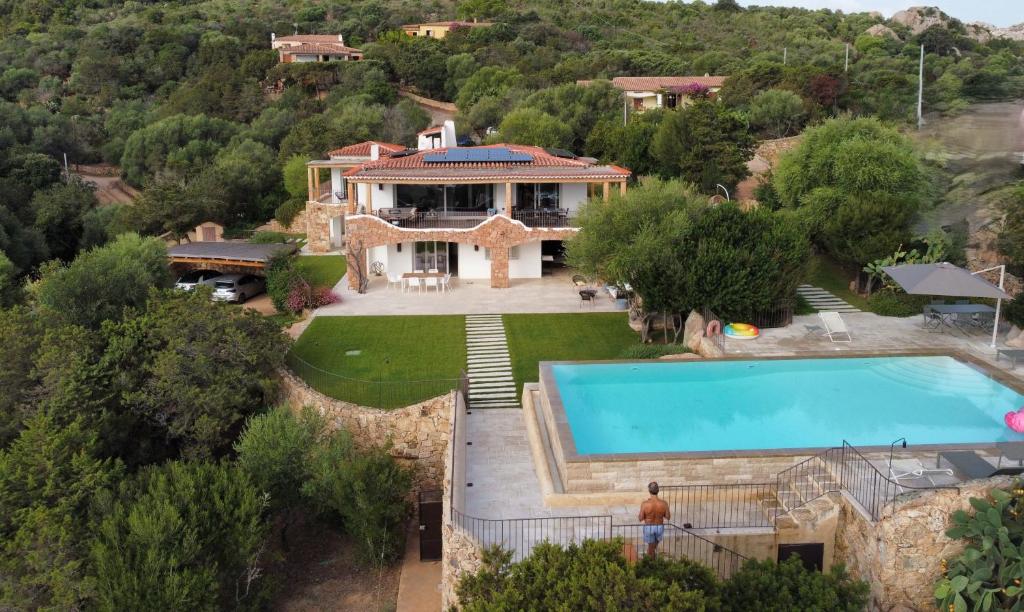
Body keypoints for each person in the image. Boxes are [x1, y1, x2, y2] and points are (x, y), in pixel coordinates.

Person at [638, 481, 670, 558]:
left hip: (649, 526)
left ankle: (650, 563)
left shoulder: (645, 504)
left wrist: (648, 515)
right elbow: (668, 517)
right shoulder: (664, 503)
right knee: (653, 547)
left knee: (651, 547)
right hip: (659, 526)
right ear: (658, 490)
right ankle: (651, 560)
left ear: (649, 491)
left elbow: (640, 518)